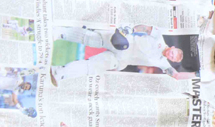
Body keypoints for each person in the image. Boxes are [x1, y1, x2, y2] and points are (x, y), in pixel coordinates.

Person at [49, 25, 195, 85]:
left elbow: (176, 75)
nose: (171, 55)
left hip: (121, 59)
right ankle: (60, 32)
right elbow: (144, 28)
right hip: (123, 42)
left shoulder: (162, 62)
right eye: (174, 53)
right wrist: (125, 32)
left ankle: (60, 72)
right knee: (91, 39)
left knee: (92, 66)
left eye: (173, 58)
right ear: (173, 47)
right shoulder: (159, 38)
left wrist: (197, 74)